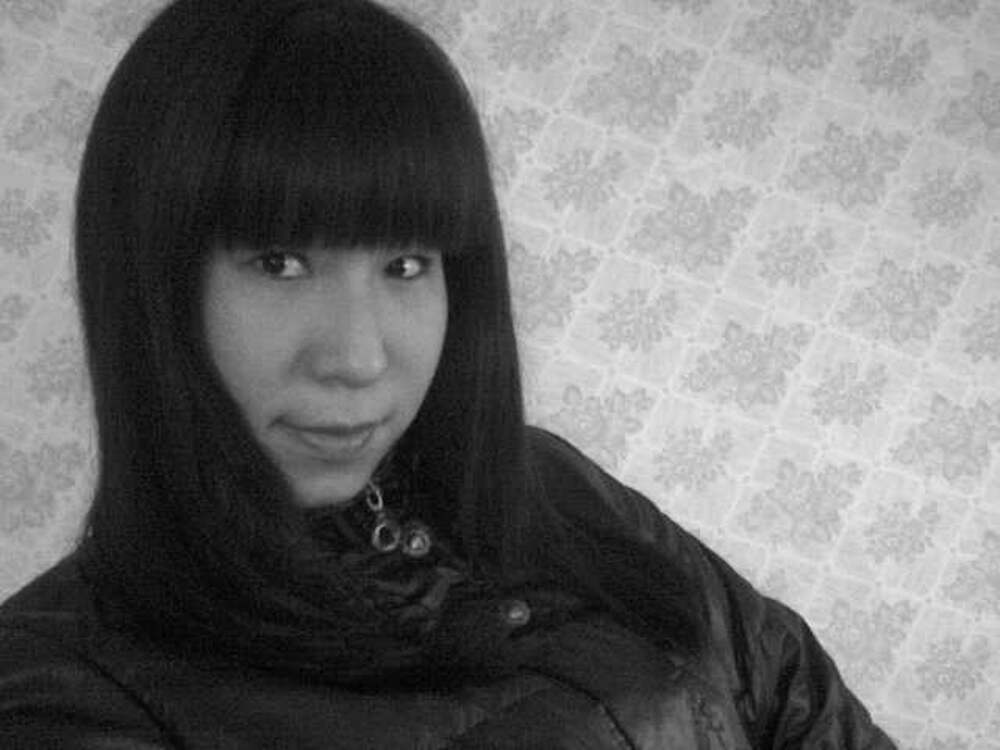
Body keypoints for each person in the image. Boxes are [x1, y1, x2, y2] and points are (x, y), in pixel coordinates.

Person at [0, 0, 898, 747]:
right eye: (279, 262)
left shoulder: (551, 485)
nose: (358, 359)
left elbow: (791, 692)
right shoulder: (60, 690)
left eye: (405, 264)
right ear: (150, 281)